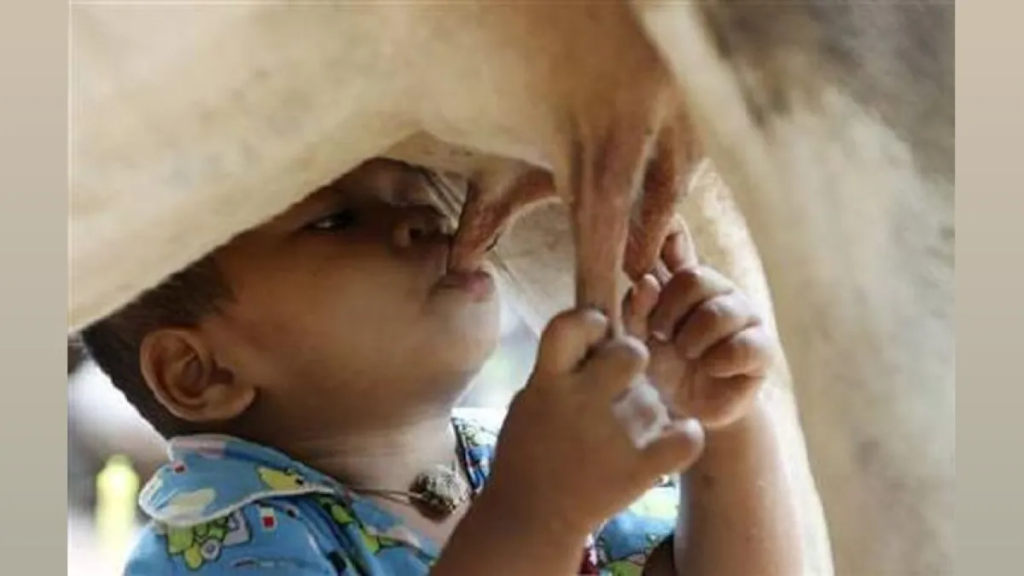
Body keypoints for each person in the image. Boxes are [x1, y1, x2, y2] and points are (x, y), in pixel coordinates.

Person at [80, 157, 803, 575]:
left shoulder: (502, 456)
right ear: (198, 372)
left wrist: (720, 422)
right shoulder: (223, 550)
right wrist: (537, 511)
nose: (427, 221)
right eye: (335, 220)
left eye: (422, 197)